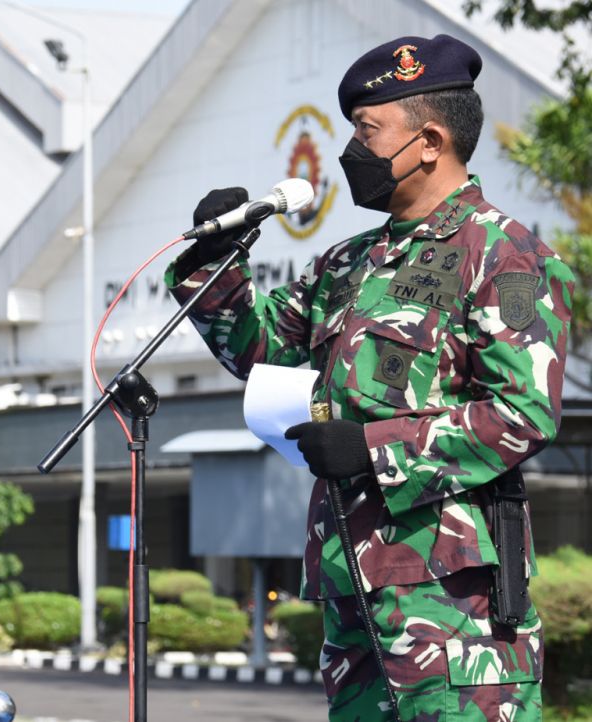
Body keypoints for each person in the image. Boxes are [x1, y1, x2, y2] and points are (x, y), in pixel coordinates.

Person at [166, 34, 572, 722]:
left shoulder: (506, 254)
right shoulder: (349, 263)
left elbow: (524, 411)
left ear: (430, 141)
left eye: (367, 130)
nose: (351, 150)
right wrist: (214, 260)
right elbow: (257, 345)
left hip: (453, 616)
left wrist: (375, 447)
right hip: (353, 599)